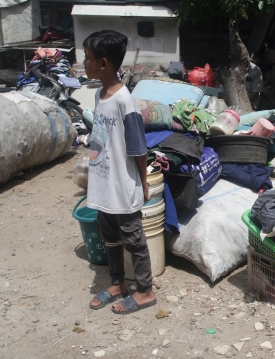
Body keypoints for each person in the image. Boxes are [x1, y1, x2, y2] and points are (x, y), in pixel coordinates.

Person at [84, 30, 157, 314]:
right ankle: (117, 283)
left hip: (123, 185)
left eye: (88, 58)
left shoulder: (124, 101)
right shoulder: (100, 95)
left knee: (134, 240)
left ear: (103, 63)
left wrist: (143, 182)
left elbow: (138, 148)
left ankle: (146, 290)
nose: (85, 63)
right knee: (110, 238)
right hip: (104, 184)